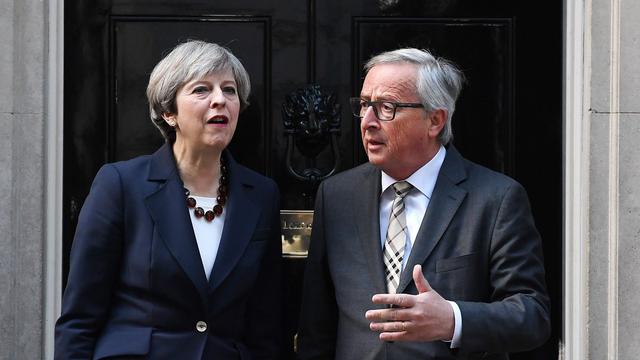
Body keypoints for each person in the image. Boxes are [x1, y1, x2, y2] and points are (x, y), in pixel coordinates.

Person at [297, 48, 550, 359]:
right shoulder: (336, 195)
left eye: (386, 107)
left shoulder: (496, 199)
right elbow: (316, 327)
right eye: (364, 105)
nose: (368, 121)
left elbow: (531, 315)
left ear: (435, 120)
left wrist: (453, 320)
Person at [55, 40, 282, 359]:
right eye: (202, 89)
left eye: (229, 90)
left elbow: (266, 325)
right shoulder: (121, 185)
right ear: (168, 112)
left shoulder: (262, 195)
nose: (220, 100)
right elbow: (80, 318)